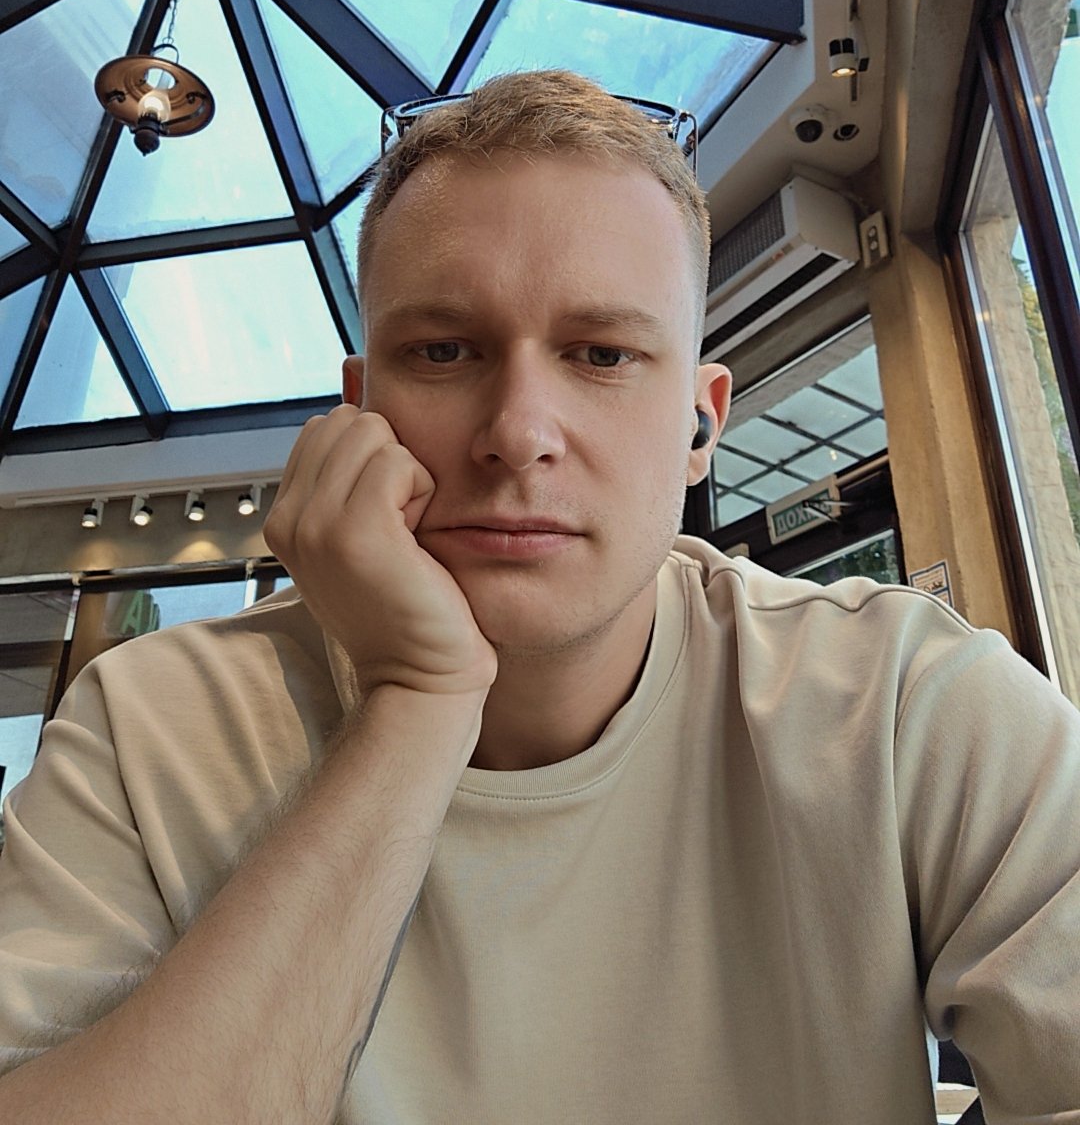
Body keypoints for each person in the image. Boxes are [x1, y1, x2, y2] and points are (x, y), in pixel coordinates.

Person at [0, 69, 1077, 1124]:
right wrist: (418, 698)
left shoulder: (899, 704)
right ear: (359, 411)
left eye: (602, 354)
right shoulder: (150, 732)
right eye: (444, 350)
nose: (519, 433)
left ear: (699, 423)